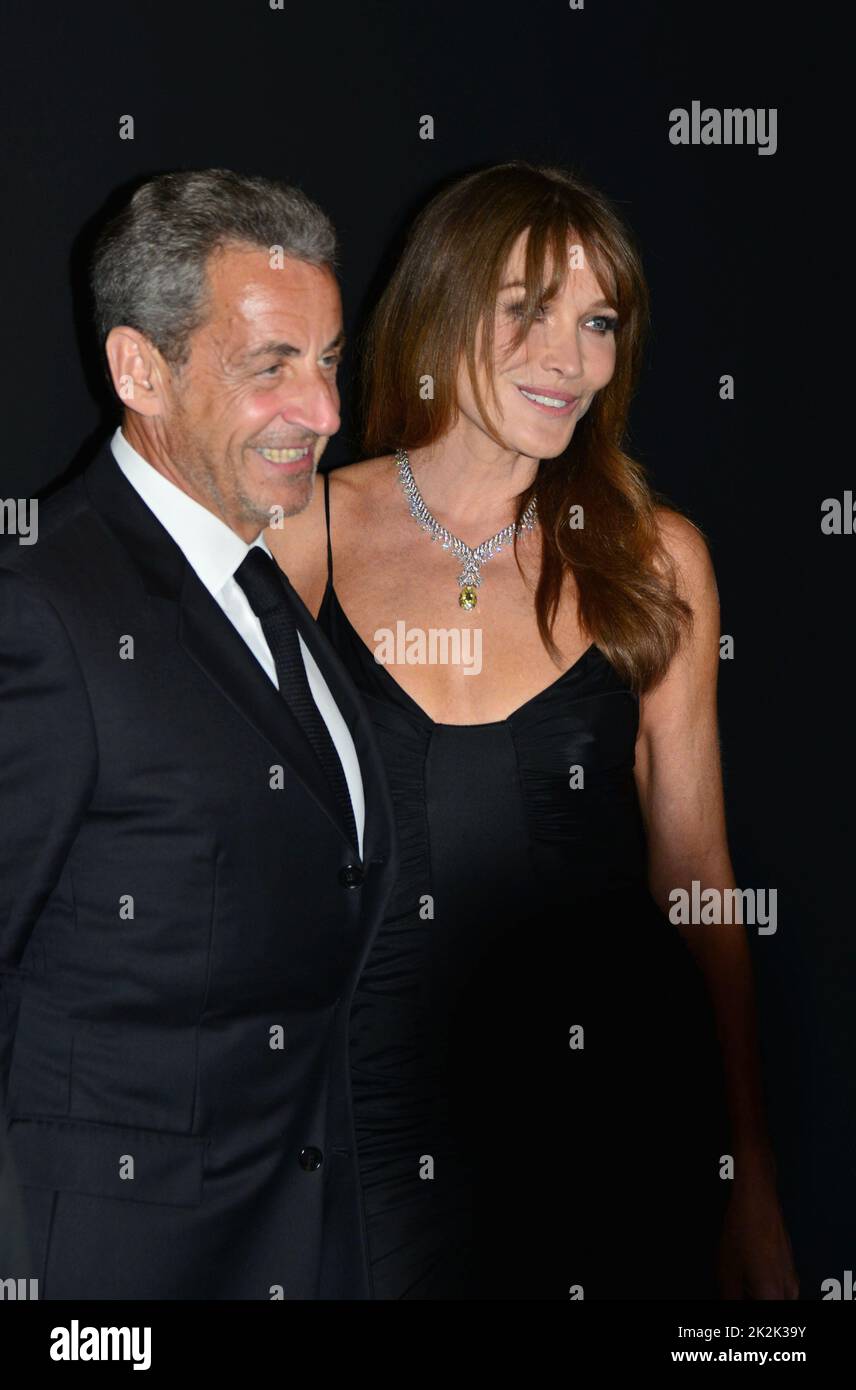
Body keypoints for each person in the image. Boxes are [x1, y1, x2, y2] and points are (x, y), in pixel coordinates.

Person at [267, 161, 800, 1300]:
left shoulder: (659, 562)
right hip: (373, 1124)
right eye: (528, 310)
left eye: (597, 321)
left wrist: (749, 1171)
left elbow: (698, 878)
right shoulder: (301, 533)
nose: (570, 358)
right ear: (443, 302)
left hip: (618, 1118)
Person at [0, 169, 399, 1299]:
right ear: (141, 371)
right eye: (270, 366)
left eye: (327, 362)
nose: (324, 410)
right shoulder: (43, 611)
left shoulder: (266, 582)